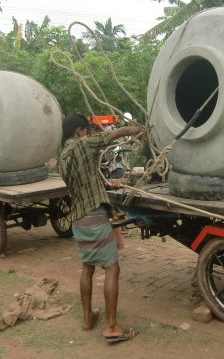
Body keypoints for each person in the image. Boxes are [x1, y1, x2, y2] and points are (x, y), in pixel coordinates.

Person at [58, 113, 142, 343]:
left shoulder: (62, 156)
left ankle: (87, 318)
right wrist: (136, 130)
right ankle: (112, 326)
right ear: (79, 131)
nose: (88, 133)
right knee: (112, 269)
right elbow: (112, 135)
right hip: (94, 215)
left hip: (78, 219)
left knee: (87, 267)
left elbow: (76, 187)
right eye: (86, 130)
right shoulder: (84, 144)